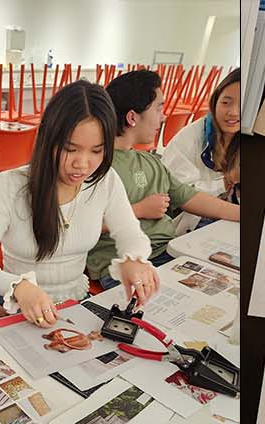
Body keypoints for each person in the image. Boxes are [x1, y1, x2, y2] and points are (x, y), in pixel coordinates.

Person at [0, 81, 160, 327]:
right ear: (48, 139)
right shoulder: (9, 186)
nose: (83, 164)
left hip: (76, 304)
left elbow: (131, 233)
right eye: (70, 149)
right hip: (20, 308)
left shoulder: (104, 181)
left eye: (96, 151)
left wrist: (135, 259)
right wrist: (18, 287)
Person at [88, 70, 240, 285]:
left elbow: (191, 197)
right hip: (122, 265)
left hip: (168, 253)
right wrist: (138, 210)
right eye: (159, 107)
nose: (164, 116)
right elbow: (78, 223)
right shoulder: (95, 164)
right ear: (132, 117)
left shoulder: (149, 162)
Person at [162, 69, 241, 200]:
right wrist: (226, 181)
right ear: (215, 102)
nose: (233, 112)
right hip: (197, 216)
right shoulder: (188, 139)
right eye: (226, 103)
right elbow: (178, 192)